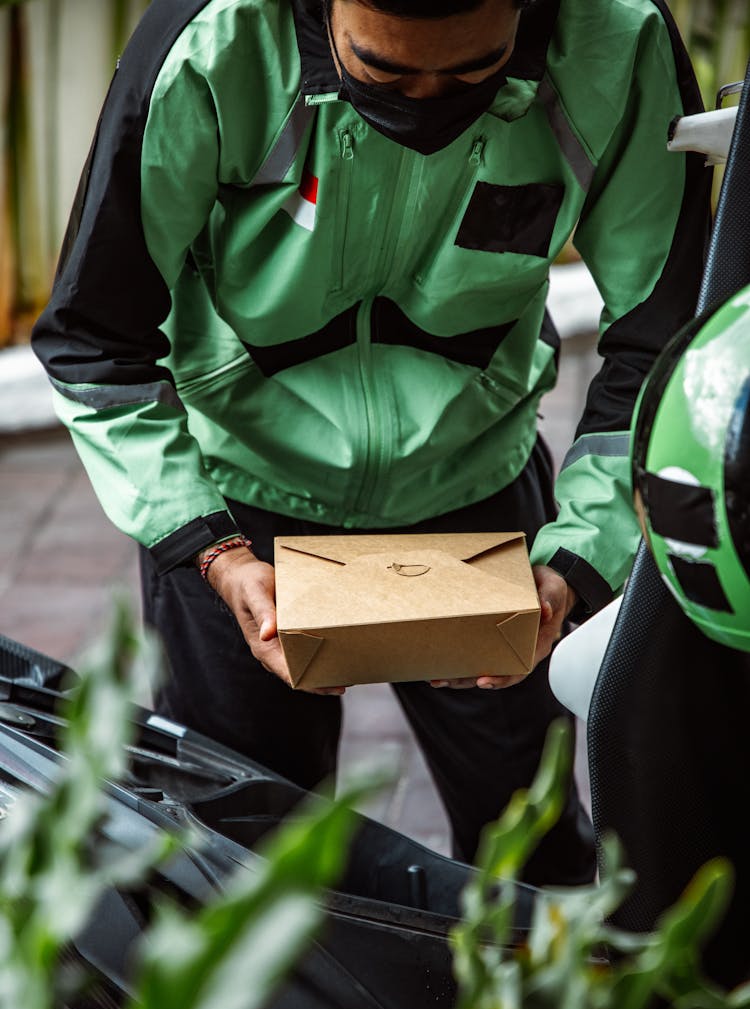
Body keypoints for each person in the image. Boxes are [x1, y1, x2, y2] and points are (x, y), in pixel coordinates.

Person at [31, 0, 711, 886]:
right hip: (243, 497)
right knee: (246, 869)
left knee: (534, 847)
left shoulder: (617, 41)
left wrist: (578, 561)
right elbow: (96, 344)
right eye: (382, 74)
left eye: (475, 75)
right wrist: (212, 551)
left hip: (477, 493)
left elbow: (664, 340)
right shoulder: (213, 42)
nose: (426, 105)